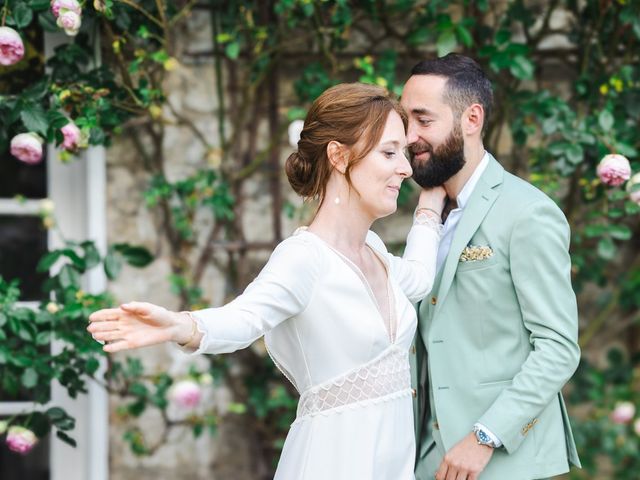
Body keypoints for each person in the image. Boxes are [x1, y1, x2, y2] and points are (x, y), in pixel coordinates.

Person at [88, 83, 446, 480]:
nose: (406, 168)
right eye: (389, 153)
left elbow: (419, 277)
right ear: (339, 156)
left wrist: (430, 206)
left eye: (405, 154)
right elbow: (244, 319)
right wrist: (180, 325)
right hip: (332, 463)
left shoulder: (375, 250)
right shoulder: (305, 258)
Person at [401, 53, 582, 480]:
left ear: (472, 118)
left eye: (423, 120)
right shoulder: (426, 214)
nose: (409, 136)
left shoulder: (528, 213)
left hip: (502, 461)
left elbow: (558, 348)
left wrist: (485, 436)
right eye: (405, 120)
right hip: (427, 459)